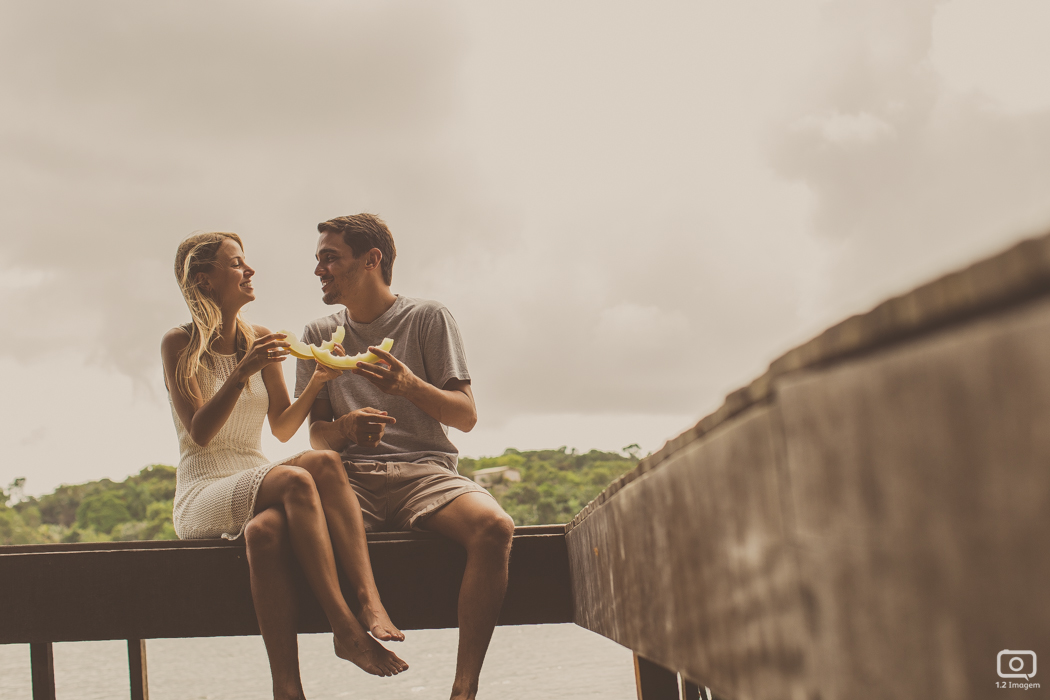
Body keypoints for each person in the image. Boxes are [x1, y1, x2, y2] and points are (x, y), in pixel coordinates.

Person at [161, 231, 408, 700]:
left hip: (253, 476)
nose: (249, 271)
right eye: (236, 264)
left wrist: (317, 382)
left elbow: (280, 427)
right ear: (205, 280)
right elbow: (200, 432)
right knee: (297, 477)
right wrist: (240, 372)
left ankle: (363, 608)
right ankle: (345, 629)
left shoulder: (261, 338)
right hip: (203, 490)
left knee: (293, 501)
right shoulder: (179, 343)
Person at [295, 214, 516, 700]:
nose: (319, 270)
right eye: (318, 260)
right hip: (351, 481)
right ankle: (345, 637)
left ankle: (464, 690)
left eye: (329, 258)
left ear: (371, 260)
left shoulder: (428, 318)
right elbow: (317, 437)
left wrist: (408, 385)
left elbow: (465, 416)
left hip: (426, 473)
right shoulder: (316, 333)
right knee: (277, 531)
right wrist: (347, 428)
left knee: (496, 528)